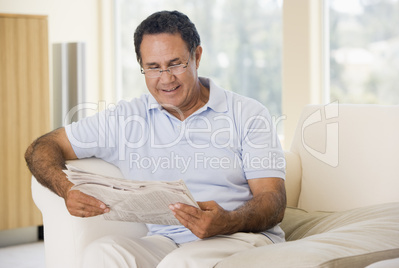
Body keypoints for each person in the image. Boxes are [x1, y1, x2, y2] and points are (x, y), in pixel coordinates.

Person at [25, 10, 286, 268]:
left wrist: (228, 220)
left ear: (196, 56)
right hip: (166, 242)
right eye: (153, 67)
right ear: (142, 66)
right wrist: (66, 188)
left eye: (175, 63)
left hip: (240, 238)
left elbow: (273, 201)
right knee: (103, 253)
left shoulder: (248, 113)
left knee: (180, 262)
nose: (166, 78)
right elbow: (42, 147)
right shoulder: (127, 118)